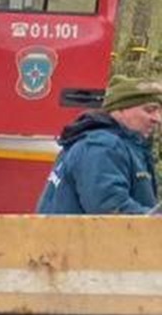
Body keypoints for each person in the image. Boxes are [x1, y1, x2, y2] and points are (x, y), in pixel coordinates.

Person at [36, 77, 162, 215]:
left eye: (159, 112)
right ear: (119, 109)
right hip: (80, 236)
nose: (157, 119)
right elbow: (109, 209)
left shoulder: (127, 147)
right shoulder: (102, 147)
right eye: (149, 110)